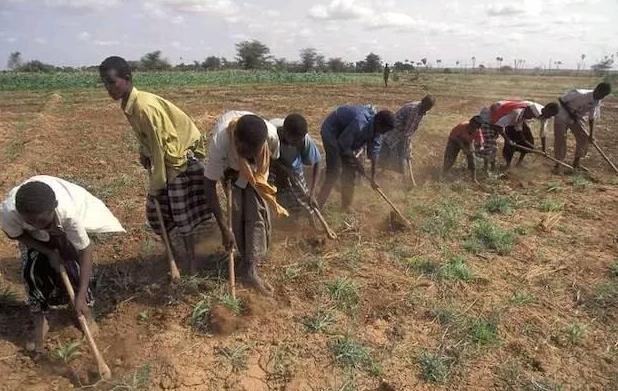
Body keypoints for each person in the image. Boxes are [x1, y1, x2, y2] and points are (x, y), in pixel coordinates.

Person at [99, 56, 213, 274]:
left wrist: (157, 185)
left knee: (182, 214)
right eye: (105, 83)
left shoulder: (143, 107)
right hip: (167, 158)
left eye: (112, 82)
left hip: (179, 160)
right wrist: (145, 153)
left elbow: (163, 148)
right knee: (156, 213)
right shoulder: (129, 104)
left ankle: (191, 260)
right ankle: (174, 255)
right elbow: (149, 140)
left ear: (127, 78)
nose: (108, 88)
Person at [1, 176, 124, 352]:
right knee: (32, 272)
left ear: (54, 206)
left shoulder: (68, 213)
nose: (36, 225)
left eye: (41, 221)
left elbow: (85, 251)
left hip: (61, 227)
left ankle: (85, 312)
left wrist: (80, 296)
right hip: (36, 236)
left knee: (72, 265)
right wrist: (48, 251)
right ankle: (40, 318)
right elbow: (15, 234)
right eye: (30, 222)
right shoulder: (9, 213)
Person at [203, 111, 287, 295]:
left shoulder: (270, 136)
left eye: (252, 152)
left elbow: (273, 160)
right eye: (243, 150)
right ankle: (244, 257)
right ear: (235, 141)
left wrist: (259, 180)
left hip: (257, 171)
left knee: (256, 211)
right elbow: (209, 185)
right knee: (237, 211)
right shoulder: (221, 142)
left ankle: (251, 266)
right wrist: (224, 228)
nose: (246, 153)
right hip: (229, 170)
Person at [317, 105, 395, 210]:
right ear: (378, 123)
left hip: (346, 138)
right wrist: (358, 164)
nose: (383, 133)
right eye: (384, 130)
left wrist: (372, 178)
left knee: (350, 173)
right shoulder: (360, 123)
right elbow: (343, 145)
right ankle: (318, 205)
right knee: (334, 172)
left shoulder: (378, 131)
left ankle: (346, 206)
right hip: (332, 132)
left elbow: (374, 154)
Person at [268, 114, 321, 218]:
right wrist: (282, 168)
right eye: (294, 141)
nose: (297, 143)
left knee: (304, 202)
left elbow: (317, 162)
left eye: (299, 140)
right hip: (271, 166)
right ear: (285, 132)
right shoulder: (271, 135)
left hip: (293, 168)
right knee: (271, 194)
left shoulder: (304, 140)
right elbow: (265, 158)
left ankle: (300, 217)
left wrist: (312, 192)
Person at [479, 100, 558, 168]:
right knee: (491, 145)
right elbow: (499, 126)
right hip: (490, 118)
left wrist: (536, 148)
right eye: (531, 116)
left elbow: (520, 130)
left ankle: (496, 165)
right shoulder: (517, 113)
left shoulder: (523, 116)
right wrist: (508, 139)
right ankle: (491, 166)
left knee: (526, 141)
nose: (531, 118)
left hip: (502, 119)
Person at [554, 82, 612, 173]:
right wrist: (570, 112)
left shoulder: (597, 101)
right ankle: (558, 164)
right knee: (561, 139)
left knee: (584, 138)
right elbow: (561, 99)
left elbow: (591, 117)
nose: (602, 97)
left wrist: (591, 135)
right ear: (597, 90)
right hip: (562, 115)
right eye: (602, 94)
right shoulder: (580, 94)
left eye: (604, 96)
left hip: (577, 118)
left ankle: (576, 163)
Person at [378, 95, 435, 182]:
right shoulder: (414, 111)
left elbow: (410, 129)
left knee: (398, 154)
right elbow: (407, 132)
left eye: (428, 108)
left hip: (401, 132)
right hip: (395, 132)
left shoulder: (420, 109)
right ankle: (385, 173)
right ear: (423, 103)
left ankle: (392, 174)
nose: (427, 110)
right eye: (426, 107)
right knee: (397, 154)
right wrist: (408, 147)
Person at [442, 116, 485, 183]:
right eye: (472, 127)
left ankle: (473, 178)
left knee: (472, 158)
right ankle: (444, 173)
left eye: (475, 128)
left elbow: (480, 144)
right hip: (454, 140)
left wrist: (478, 149)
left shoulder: (477, 131)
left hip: (467, 142)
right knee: (450, 157)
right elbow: (454, 137)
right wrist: (463, 148)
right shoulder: (461, 126)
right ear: (470, 123)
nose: (472, 129)